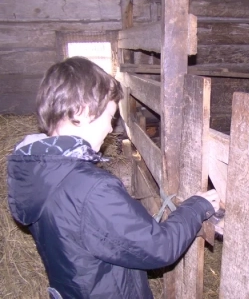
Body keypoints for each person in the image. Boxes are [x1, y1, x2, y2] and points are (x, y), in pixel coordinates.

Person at [7, 56, 220, 299]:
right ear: (82, 111)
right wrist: (197, 206)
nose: (110, 128)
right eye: (109, 117)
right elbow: (159, 247)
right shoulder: (91, 188)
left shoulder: (38, 172)